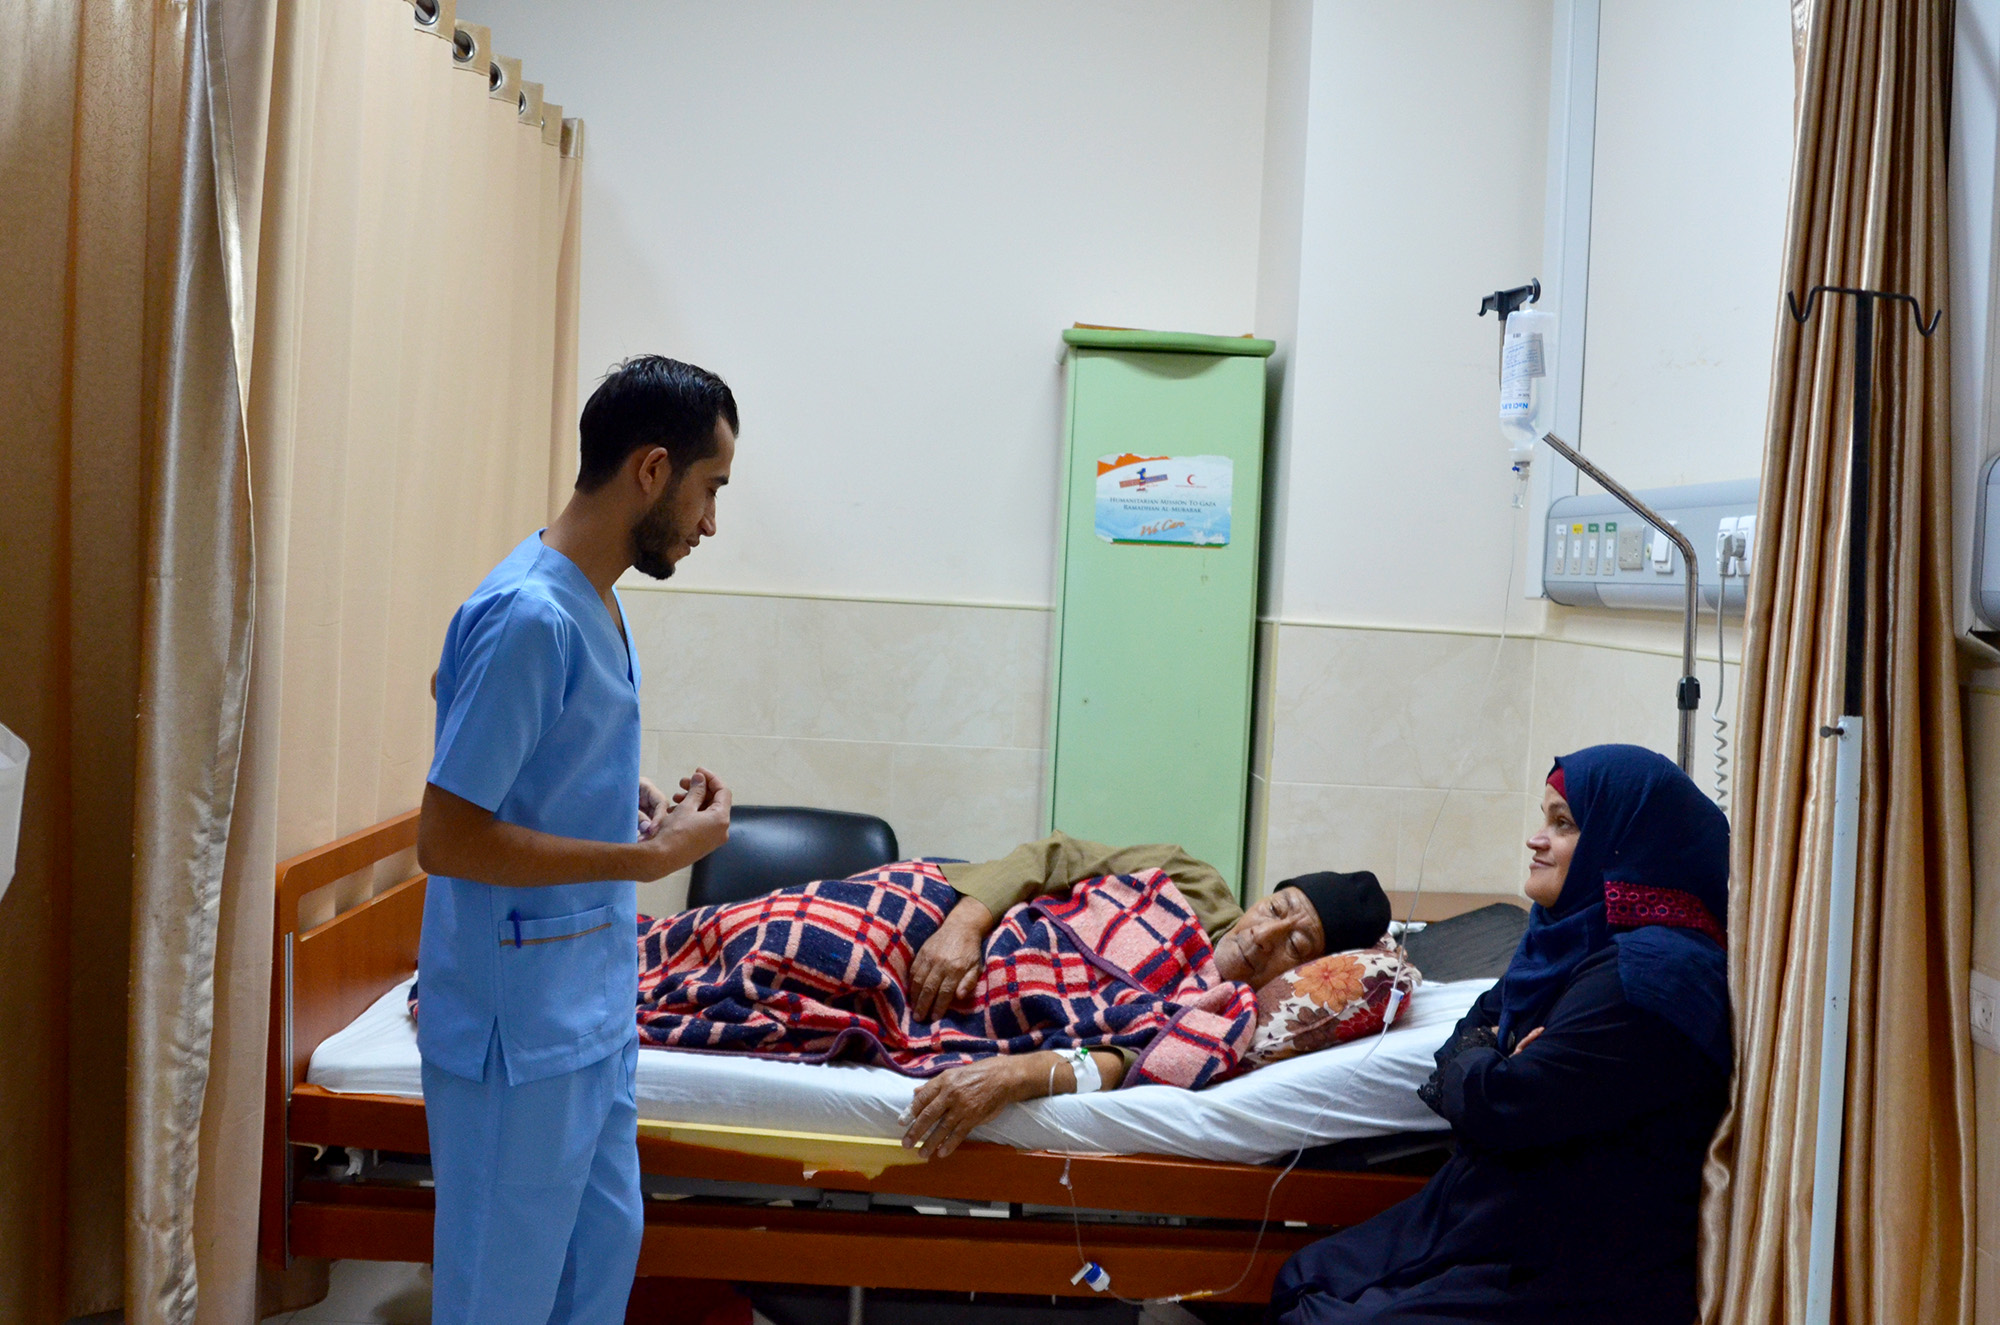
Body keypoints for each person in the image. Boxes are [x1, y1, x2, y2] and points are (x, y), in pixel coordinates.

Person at [413, 355, 739, 1325]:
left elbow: (521, 756)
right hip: (518, 1028)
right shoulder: (530, 613)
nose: (709, 523)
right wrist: (645, 858)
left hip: (588, 1005)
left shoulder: (594, 599)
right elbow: (448, 834)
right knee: (500, 1294)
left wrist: (623, 801)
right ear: (651, 469)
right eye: (708, 488)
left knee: (598, 1263)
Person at [1267, 743, 1732, 1325]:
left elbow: (1497, 1103)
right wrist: (1492, 1054)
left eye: (1562, 824)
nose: (1536, 838)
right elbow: (1475, 1034)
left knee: (1324, 1318)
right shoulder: (1568, 939)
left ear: (1625, 840)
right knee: (1302, 1278)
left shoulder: (1649, 977)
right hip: (1498, 1209)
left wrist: (1489, 1061)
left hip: (1577, 1258)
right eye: (1545, 818)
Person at [629, 831, 1393, 1159]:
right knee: (781, 928)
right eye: (1280, 908)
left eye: (1298, 944)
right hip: (936, 910)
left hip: (969, 1003)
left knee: (785, 978)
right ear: (1269, 890)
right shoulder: (1191, 878)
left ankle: (607, 996)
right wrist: (963, 924)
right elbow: (1051, 856)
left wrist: (1018, 1074)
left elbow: (1125, 1059)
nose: (1267, 936)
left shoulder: (1222, 1016)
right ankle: (604, 957)